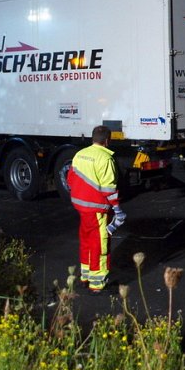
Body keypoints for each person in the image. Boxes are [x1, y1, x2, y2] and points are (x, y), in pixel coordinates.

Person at [67, 125, 126, 294]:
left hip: (81, 207)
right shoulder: (105, 159)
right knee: (100, 245)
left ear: (93, 138)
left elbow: (70, 179)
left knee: (86, 240)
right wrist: (118, 210)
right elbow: (109, 189)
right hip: (97, 209)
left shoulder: (80, 154)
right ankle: (97, 283)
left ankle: (85, 276)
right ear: (107, 140)